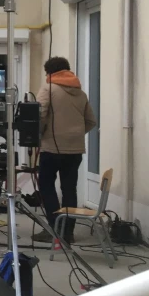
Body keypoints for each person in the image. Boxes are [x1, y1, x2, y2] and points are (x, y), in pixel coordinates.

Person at [32, 56, 97, 244]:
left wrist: (39, 135)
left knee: (46, 186)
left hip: (51, 148)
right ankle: (68, 232)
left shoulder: (48, 88)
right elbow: (91, 121)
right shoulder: (80, 93)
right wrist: (74, 135)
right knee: (69, 189)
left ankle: (54, 229)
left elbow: (39, 115)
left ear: (50, 72)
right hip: (75, 150)